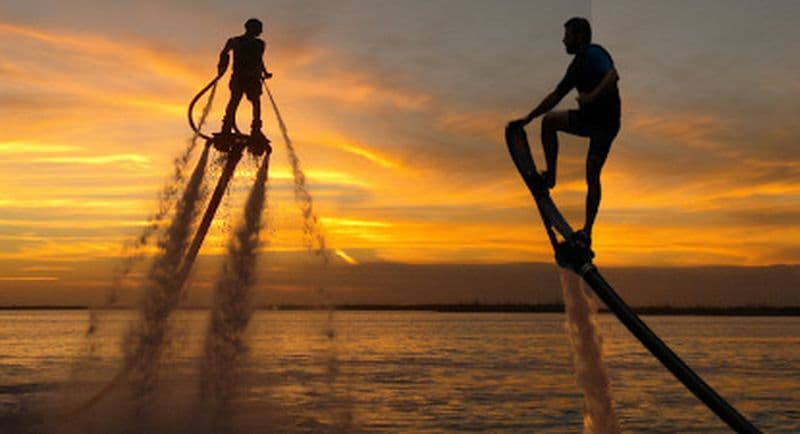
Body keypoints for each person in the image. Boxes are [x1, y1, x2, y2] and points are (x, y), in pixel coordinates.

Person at [511, 17, 621, 247]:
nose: (564, 40)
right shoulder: (575, 67)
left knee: (591, 172)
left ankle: (587, 233)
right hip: (589, 119)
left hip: (607, 124)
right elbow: (555, 96)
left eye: (567, 35)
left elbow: (612, 76)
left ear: (580, 36)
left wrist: (591, 96)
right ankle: (550, 177)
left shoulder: (594, 53)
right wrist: (530, 117)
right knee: (549, 121)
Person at [218, 18, 273, 140]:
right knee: (235, 100)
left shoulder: (260, 44)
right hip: (239, 76)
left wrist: (265, 72)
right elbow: (224, 53)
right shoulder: (235, 41)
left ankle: (256, 129)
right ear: (249, 28)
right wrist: (221, 66)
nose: (261, 31)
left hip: (253, 78)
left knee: (256, 103)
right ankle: (226, 126)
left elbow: (259, 60)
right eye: (259, 28)